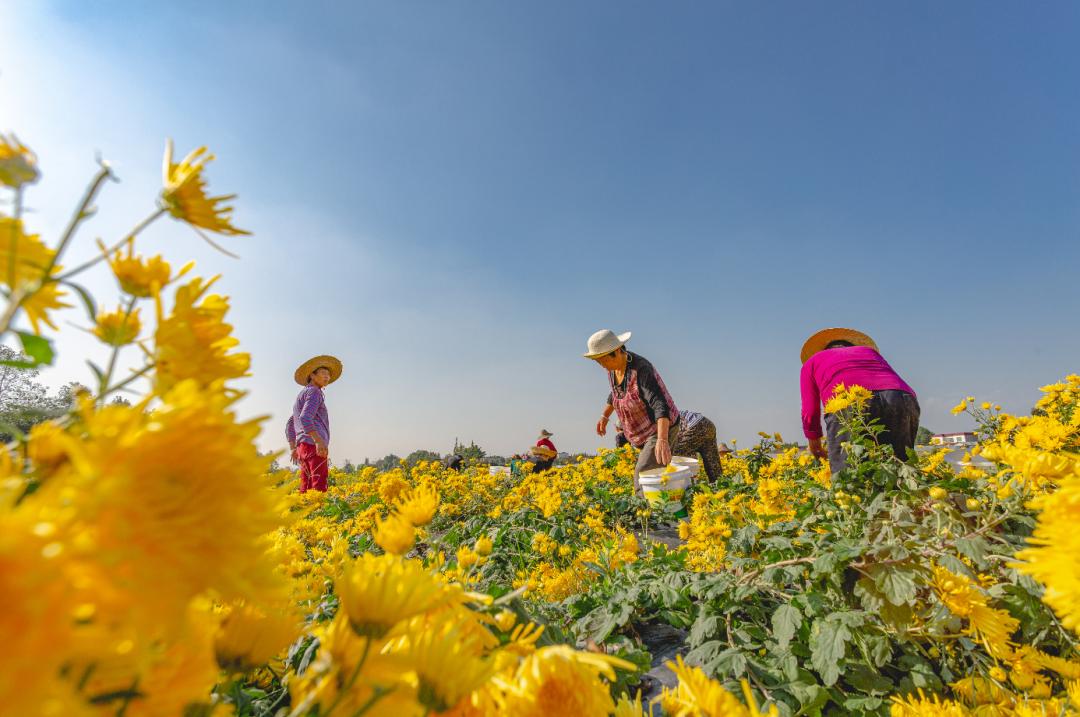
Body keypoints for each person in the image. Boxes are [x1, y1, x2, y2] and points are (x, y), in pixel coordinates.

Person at [800, 327, 920, 474]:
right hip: (903, 397)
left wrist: (815, 445)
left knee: (847, 477)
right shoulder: (870, 352)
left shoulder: (812, 362)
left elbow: (810, 411)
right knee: (901, 468)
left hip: (849, 402)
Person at [585, 329, 681, 494]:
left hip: (659, 428)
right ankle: (666, 508)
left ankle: (643, 514)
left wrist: (662, 440)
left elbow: (660, 405)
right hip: (640, 432)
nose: (602, 366)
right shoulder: (613, 371)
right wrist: (605, 416)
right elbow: (615, 394)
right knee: (656, 476)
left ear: (616, 352)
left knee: (643, 471)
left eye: (603, 361)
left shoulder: (641, 370)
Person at [286, 354, 342, 493]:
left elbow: (290, 424)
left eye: (328, 374)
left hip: (302, 447)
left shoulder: (302, 394)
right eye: (323, 373)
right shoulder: (314, 392)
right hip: (312, 446)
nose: (327, 377)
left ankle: (304, 513)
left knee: (306, 486)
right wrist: (318, 441)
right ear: (312, 375)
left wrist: (293, 448)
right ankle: (319, 513)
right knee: (319, 485)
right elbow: (305, 417)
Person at [670, 409, 722, 484]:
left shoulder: (659, 420)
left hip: (694, 425)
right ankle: (719, 485)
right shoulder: (671, 412)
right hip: (708, 424)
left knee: (678, 458)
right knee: (713, 462)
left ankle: (686, 486)